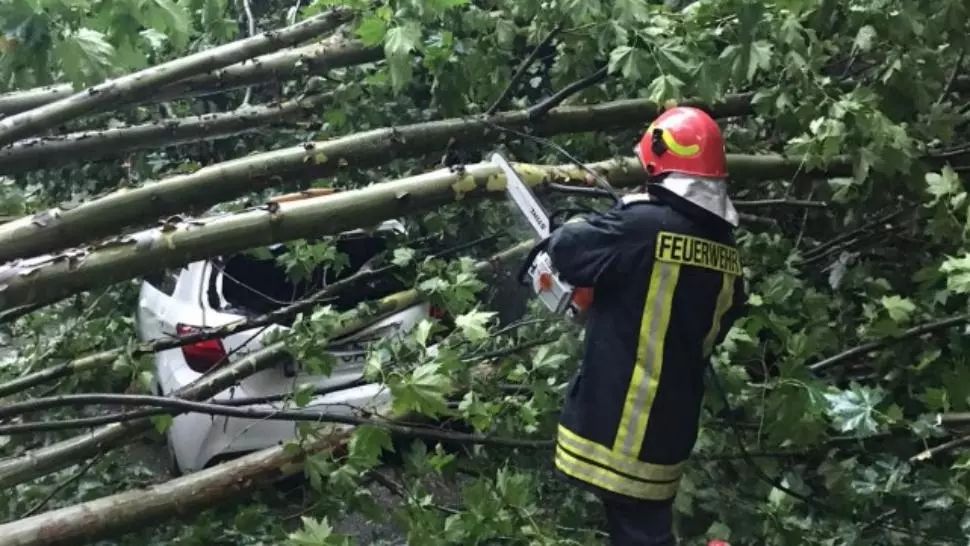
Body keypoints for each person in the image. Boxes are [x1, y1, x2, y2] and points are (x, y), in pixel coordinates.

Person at [545, 106, 747, 546]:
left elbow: (567, 249)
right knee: (641, 527)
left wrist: (621, 214)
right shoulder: (728, 254)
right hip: (670, 432)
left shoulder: (643, 226)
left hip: (619, 424)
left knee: (640, 535)